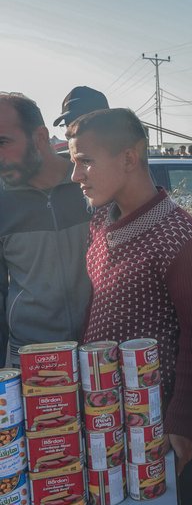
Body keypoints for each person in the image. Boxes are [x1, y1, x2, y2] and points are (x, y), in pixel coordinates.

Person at [69, 108, 192, 505]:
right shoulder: (101, 221)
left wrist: (182, 420)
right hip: (103, 410)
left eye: (86, 160)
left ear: (130, 158)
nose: (77, 174)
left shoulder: (180, 237)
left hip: (156, 417)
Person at [0, 93, 91, 368]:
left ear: (40, 137)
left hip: (99, 351)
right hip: (30, 358)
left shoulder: (91, 184)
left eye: (3, 142)